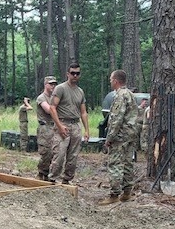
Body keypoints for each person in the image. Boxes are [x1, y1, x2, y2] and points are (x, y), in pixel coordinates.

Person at [98, 69, 137, 205]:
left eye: (110, 79)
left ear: (115, 81)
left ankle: (114, 194)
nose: (110, 82)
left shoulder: (120, 96)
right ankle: (127, 192)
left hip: (120, 137)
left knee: (115, 164)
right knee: (127, 163)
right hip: (130, 136)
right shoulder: (131, 95)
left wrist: (109, 139)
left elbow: (116, 119)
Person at [48, 63, 90, 184]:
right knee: (59, 155)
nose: (75, 75)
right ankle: (52, 179)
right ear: (68, 74)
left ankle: (67, 179)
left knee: (73, 156)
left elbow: (83, 112)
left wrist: (87, 130)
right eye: (72, 73)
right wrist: (60, 126)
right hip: (63, 123)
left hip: (76, 125)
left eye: (77, 73)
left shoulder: (80, 91)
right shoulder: (60, 88)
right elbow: (52, 107)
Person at [35, 76, 57, 181]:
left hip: (54, 126)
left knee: (55, 152)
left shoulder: (55, 97)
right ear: (45, 85)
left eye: (54, 84)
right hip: (45, 127)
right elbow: (49, 110)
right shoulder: (41, 98)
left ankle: (48, 173)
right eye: (51, 84)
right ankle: (41, 172)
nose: (53, 86)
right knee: (46, 152)